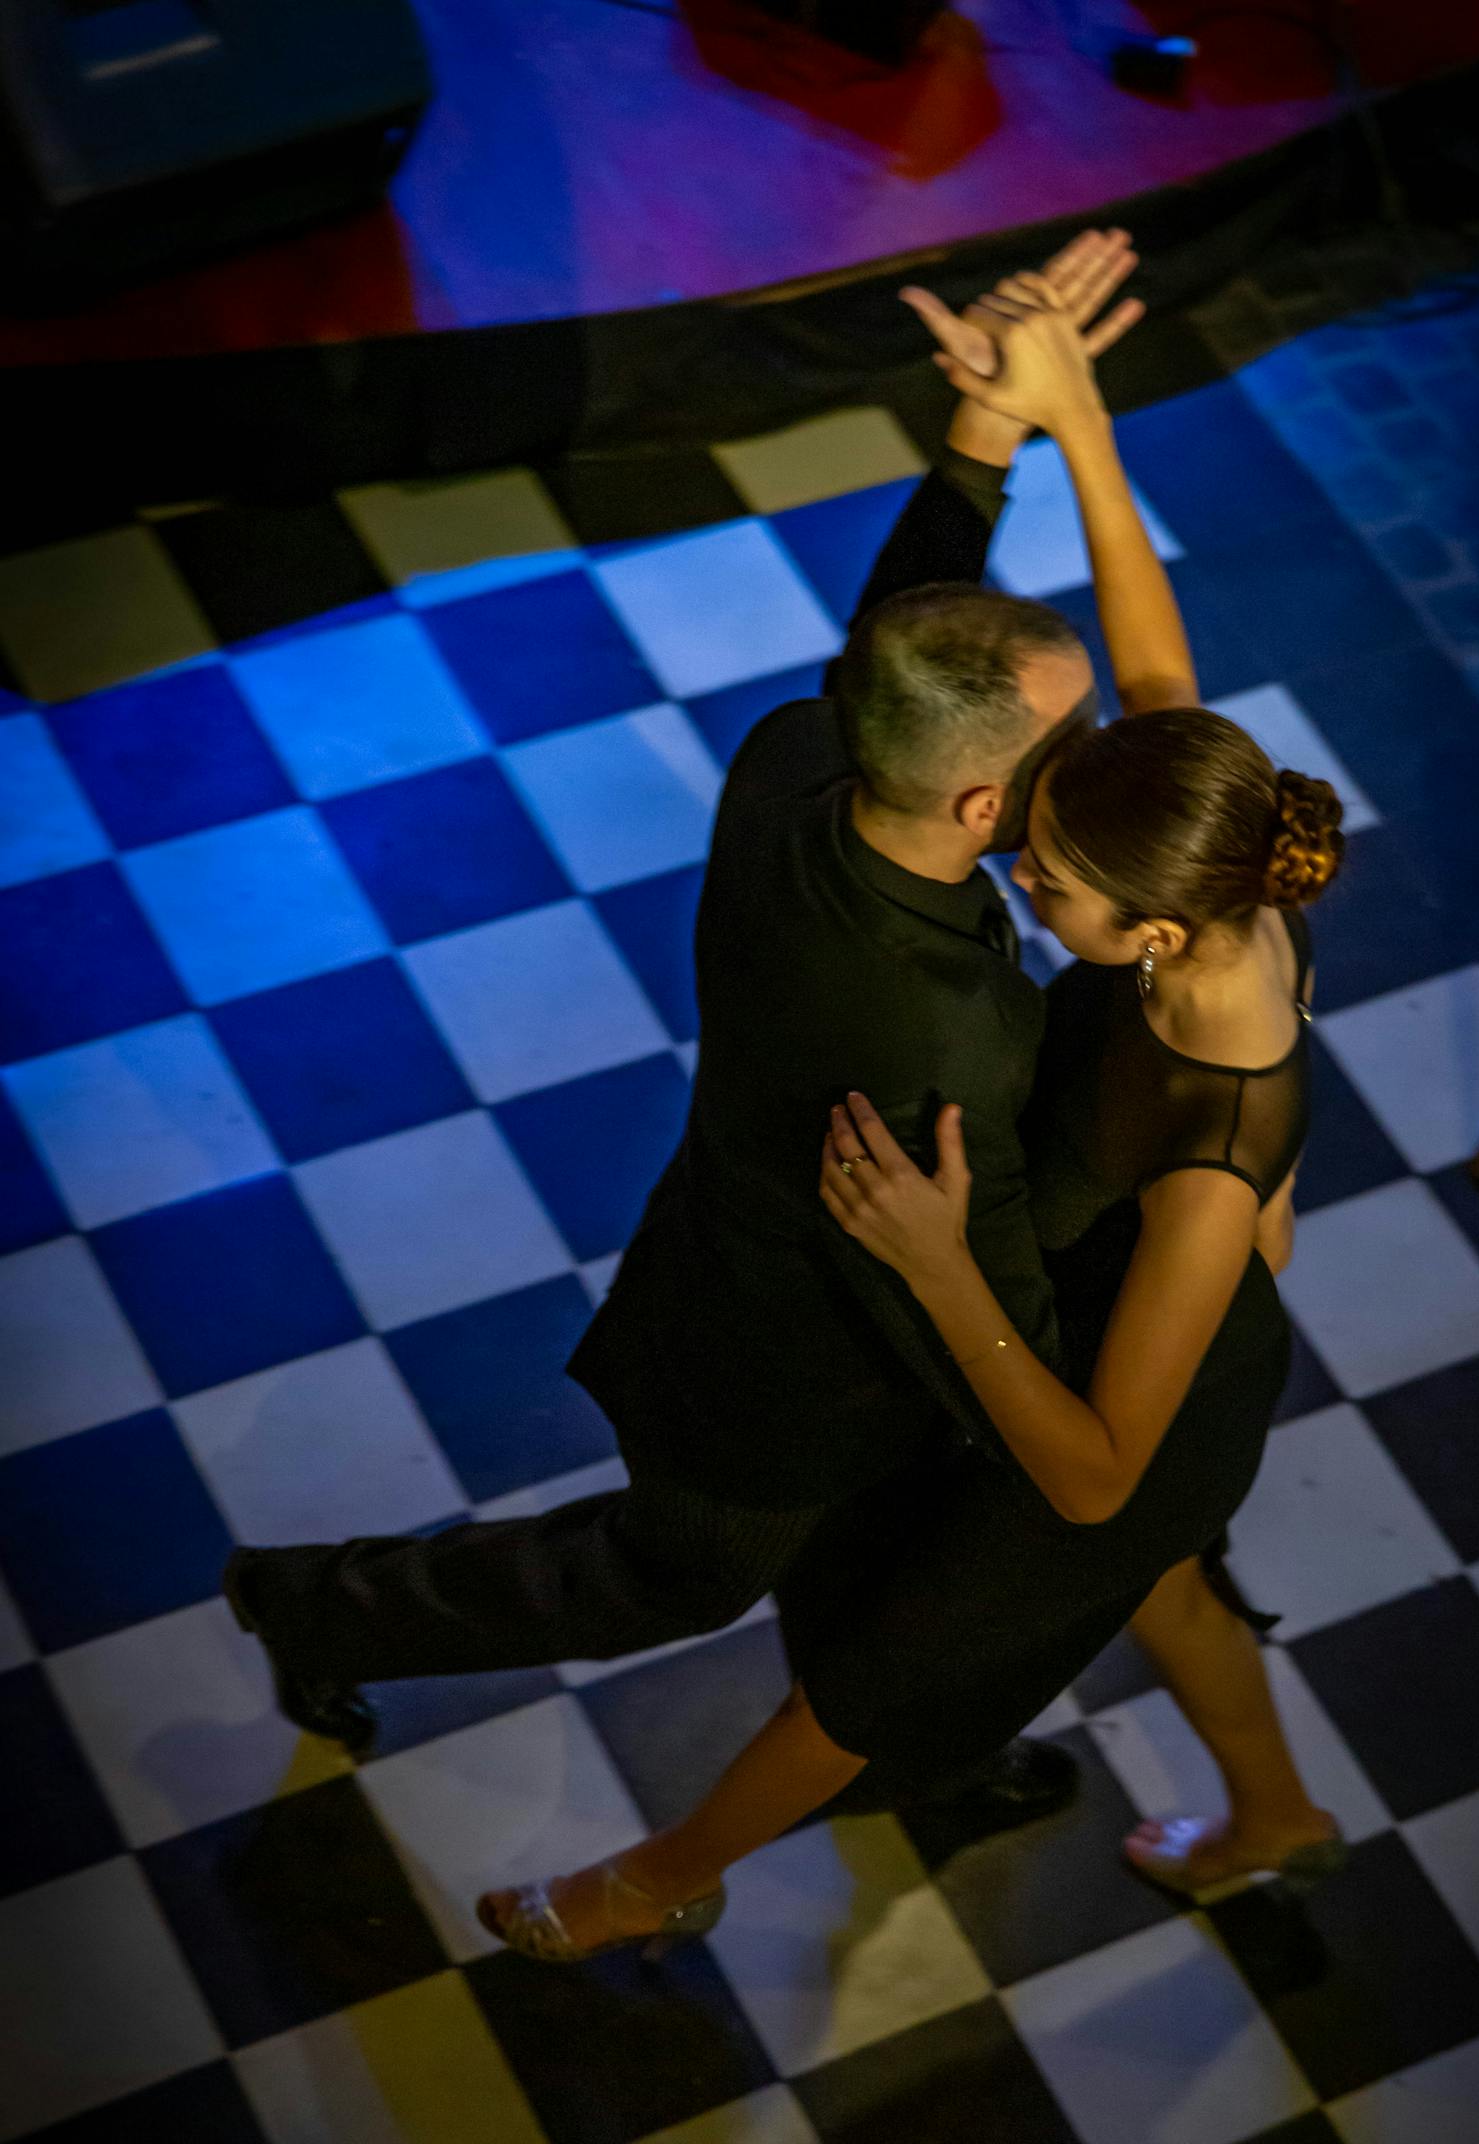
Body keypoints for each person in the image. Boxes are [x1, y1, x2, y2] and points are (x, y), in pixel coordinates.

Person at [477, 281, 1346, 1963]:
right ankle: (1280, 1817)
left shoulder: (1217, 1156)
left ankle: (656, 1882)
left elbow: (1097, 1478)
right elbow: (1154, 660)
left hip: (1126, 1392)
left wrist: (947, 1270)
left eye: (1056, 883)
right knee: (1163, 1583)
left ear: (1152, 934)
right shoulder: (1197, 849)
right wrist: (1074, 418)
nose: (1025, 871)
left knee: (879, 1671)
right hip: (1075, 1300)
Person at [224, 235, 1144, 1802]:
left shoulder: (806, 763)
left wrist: (984, 441)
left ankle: (898, 1745)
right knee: (676, 1575)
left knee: (869, 1558)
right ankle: (317, 1605)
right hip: (784, 1366)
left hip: (738, 1240)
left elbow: (899, 652)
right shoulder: (934, 1033)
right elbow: (980, 1279)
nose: (1107, 743)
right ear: (986, 800)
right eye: (1080, 734)